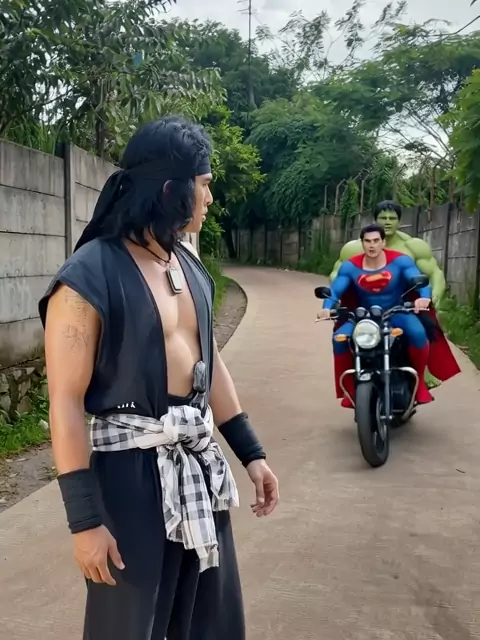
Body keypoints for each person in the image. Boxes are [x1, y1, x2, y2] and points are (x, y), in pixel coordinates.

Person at [39, 115, 279, 640]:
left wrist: (251, 454)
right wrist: (85, 521)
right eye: (204, 184)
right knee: (128, 625)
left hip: (197, 467)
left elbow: (211, 363)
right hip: (129, 479)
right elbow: (65, 402)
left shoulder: (188, 267)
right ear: (171, 190)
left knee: (209, 621)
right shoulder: (88, 277)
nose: (209, 198)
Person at [317, 224, 460, 409]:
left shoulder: (400, 261)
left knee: (418, 334)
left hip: (396, 312)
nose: (372, 245)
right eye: (367, 241)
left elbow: (419, 281)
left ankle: (419, 384)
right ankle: (350, 390)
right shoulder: (350, 266)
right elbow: (335, 291)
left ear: (383, 242)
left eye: (376, 240)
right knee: (339, 338)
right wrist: (326, 307)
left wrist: (424, 297)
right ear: (362, 243)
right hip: (363, 316)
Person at [329, 200, 447, 307]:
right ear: (375, 221)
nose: (387, 222)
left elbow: (435, 273)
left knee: (426, 324)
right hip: (362, 304)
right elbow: (336, 275)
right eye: (383, 218)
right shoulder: (354, 248)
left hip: (405, 304)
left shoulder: (413, 246)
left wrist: (434, 296)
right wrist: (336, 298)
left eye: (392, 218)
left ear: (399, 222)